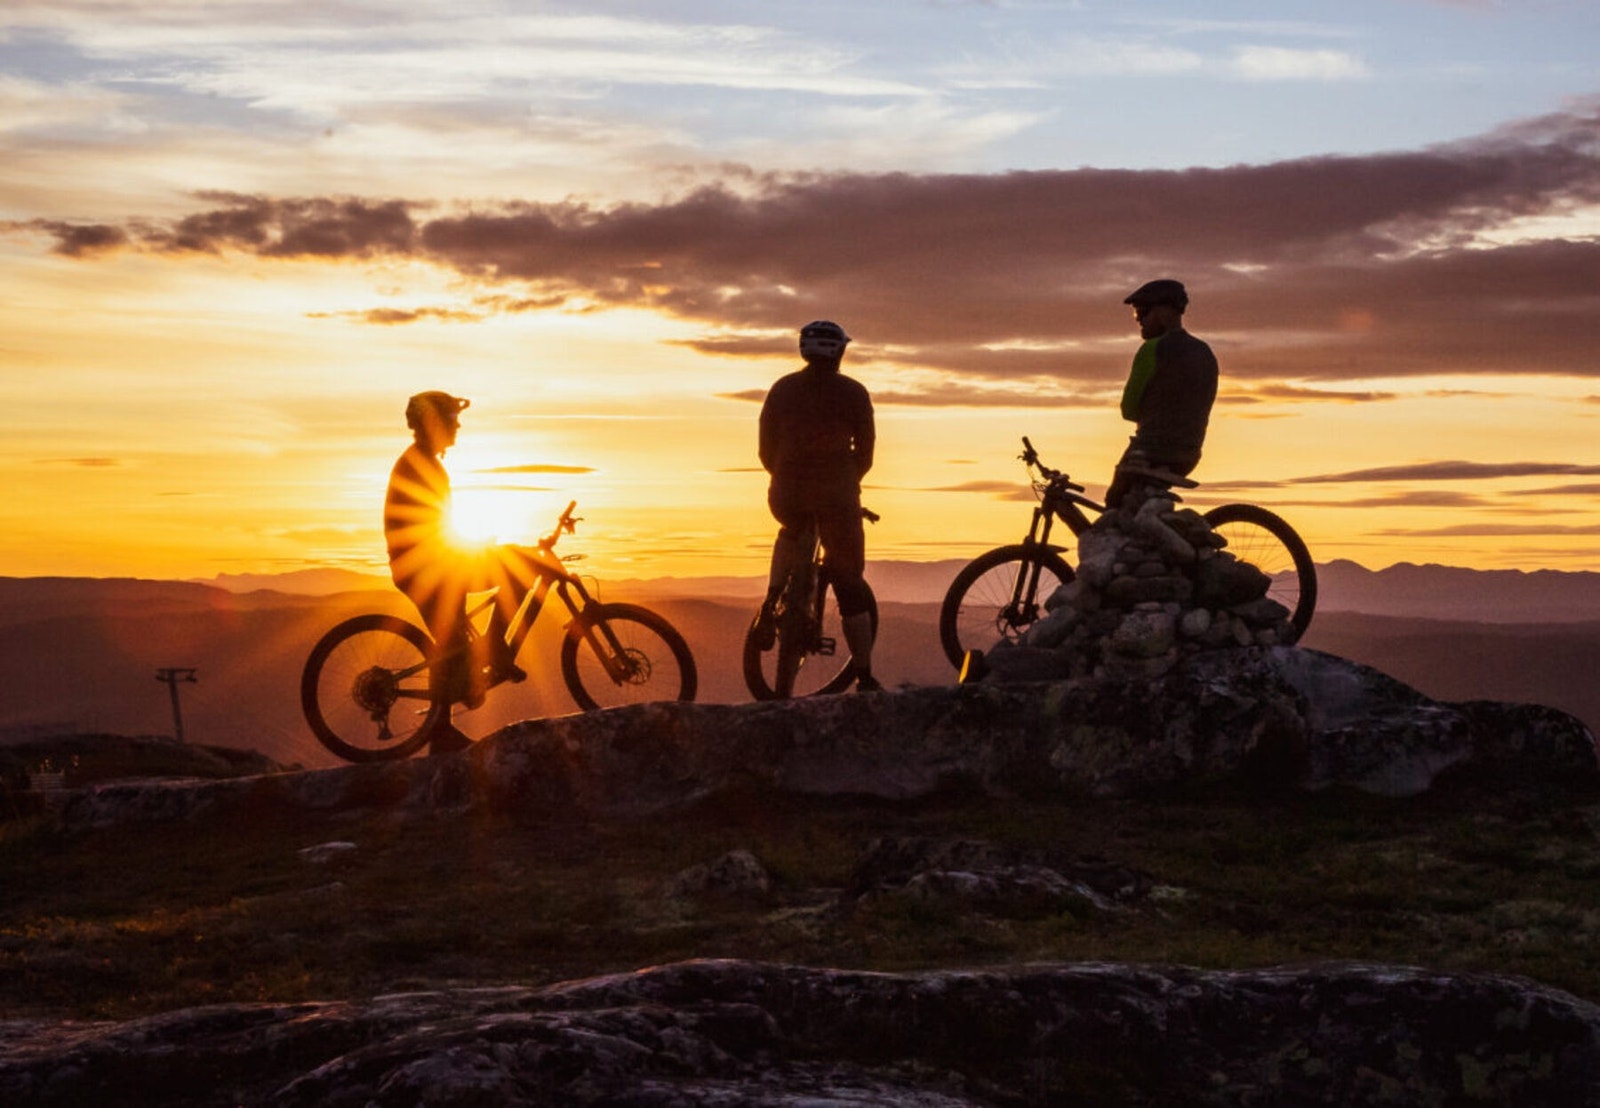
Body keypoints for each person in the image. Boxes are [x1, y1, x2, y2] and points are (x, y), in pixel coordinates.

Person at [384, 391, 528, 744]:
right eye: (452, 419)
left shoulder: (422, 462)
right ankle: (494, 650)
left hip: (428, 567)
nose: (458, 426)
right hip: (430, 570)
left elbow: (435, 528)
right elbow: (433, 530)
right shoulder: (422, 466)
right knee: (520, 566)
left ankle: (443, 729)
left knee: (451, 647)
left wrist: (474, 548)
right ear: (435, 423)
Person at [754, 320, 881, 692]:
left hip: (786, 492)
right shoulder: (854, 393)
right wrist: (845, 483)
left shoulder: (782, 389)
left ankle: (772, 600)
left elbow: (765, 449)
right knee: (849, 583)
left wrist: (783, 474)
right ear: (840, 352)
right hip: (837, 496)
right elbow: (866, 454)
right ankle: (866, 676)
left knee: (790, 531)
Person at [1103, 279, 1219, 509]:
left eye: (1142, 313)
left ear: (1164, 311)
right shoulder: (1205, 352)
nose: (1140, 321)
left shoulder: (1152, 349)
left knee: (1114, 504)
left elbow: (1128, 410)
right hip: (1188, 453)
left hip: (1149, 451)